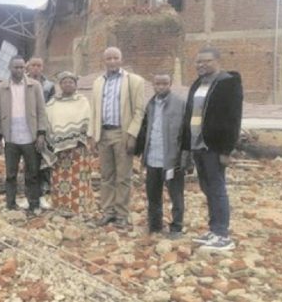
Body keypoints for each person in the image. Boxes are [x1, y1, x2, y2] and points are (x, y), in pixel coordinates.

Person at [181, 47, 243, 251]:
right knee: (207, 188)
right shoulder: (198, 84)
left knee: (217, 188)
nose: (201, 65)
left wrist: (226, 150)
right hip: (198, 145)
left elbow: (233, 118)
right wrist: (187, 145)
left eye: (206, 61)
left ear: (217, 61)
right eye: (198, 61)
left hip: (214, 146)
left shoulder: (227, 84)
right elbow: (190, 115)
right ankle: (213, 229)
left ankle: (222, 235)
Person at [88, 47, 145, 228]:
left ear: (121, 59)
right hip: (103, 134)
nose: (112, 61)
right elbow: (94, 110)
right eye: (109, 58)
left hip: (122, 133)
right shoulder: (98, 82)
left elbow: (139, 111)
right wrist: (92, 135)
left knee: (123, 177)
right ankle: (108, 212)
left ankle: (121, 213)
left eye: (115, 58)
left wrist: (132, 135)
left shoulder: (134, 81)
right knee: (106, 176)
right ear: (103, 61)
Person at [135, 73, 189, 239]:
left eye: (164, 83)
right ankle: (155, 226)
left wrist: (185, 158)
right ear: (153, 85)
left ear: (170, 84)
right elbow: (145, 129)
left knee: (176, 196)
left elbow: (186, 133)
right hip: (153, 158)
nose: (161, 87)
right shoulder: (151, 104)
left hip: (172, 159)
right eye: (157, 84)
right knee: (153, 195)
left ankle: (176, 227)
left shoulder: (180, 104)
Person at [0, 56, 47, 215]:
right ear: (9, 68)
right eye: (15, 67)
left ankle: (33, 204)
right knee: (11, 174)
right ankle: (10, 204)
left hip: (30, 136)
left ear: (25, 68)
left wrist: (41, 133)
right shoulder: (1, 88)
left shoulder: (34, 86)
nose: (19, 70)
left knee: (32, 173)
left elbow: (41, 111)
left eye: (21, 67)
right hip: (11, 138)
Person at [43, 71, 94, 218]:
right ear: (60, 85)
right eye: (64, 82)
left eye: (71, 82)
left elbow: (88, 120)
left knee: (78, 177)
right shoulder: (52, 103)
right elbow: (48, 122)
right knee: (60, 178)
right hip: (58, 149)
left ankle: (79, 207)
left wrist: (83, 138)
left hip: (78, 147)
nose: (68, 84)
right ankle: (60, 206)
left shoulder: (82, 101)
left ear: (76, 85)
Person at [27, 57, 55, 198]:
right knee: (29, 159)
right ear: (28, 67)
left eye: (39, 65)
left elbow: (52, 105)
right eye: (33, 65)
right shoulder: (22, 83)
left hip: (45, 125)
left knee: (45, 156)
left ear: (42, 67)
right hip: (27, 126)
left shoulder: (49, 85)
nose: (36, 68)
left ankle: (45, 188)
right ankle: (31, 191)